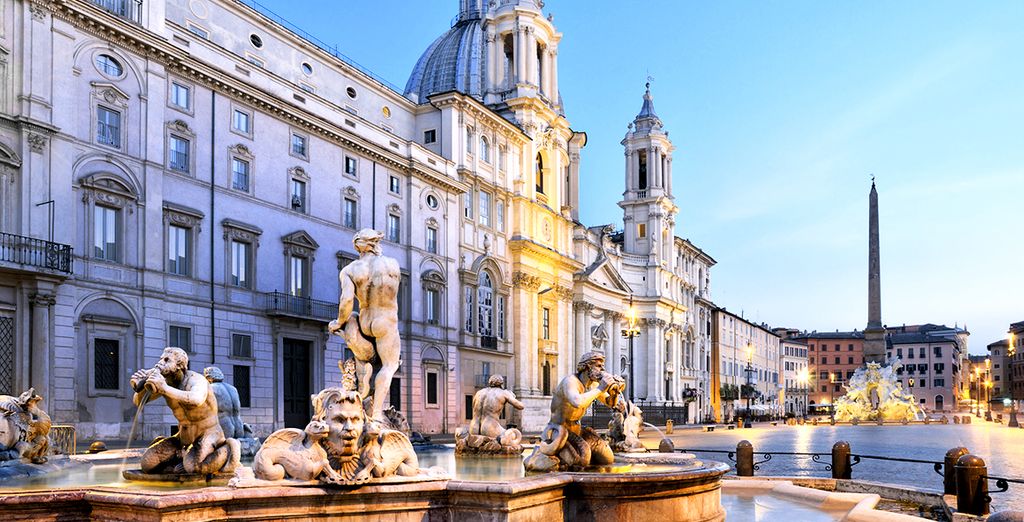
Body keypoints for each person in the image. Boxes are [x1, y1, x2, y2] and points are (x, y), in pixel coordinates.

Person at [328, 228, 402, 422]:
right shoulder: (392, 265)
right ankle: (376, 414)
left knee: (350, 317)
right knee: (389, 365)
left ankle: (363, 375)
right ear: (375, 243)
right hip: (385, 321)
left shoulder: (350, 270)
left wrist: (338, 323)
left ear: (357, 246)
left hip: (364, 320)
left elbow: (346, 302)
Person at [130, 347, 240, 475]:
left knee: (194, 468)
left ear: (179, 366)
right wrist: (140, 387)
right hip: (183, 437)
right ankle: (181, 461)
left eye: (166, 360)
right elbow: (138, 401)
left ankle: (227, 449)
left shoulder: (196, 380)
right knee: (147, 464)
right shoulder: (165, 382)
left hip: (208, 433)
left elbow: (196, 399)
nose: (159, 363)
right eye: (160, 359)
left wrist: (164, 388)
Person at [524, 351, 625, 472]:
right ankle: (548, 458)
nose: (602, 369)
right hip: (559, 430)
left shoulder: (592, 385)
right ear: (588, 366)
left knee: (607, 458)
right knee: (582, 460)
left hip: (577, 429)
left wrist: (614, 392)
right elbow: (577, 402)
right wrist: (601, 388)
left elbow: (610, 403)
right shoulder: (570, 382)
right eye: (599, 366)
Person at [469, 375, 524, 439]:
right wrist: (511, 396)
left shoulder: (479, 393)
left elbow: (473, 406)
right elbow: (521, 406)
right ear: (501, 383)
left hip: (473, 428)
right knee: (513, 436)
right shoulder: (504, 393)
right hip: (489, 428)